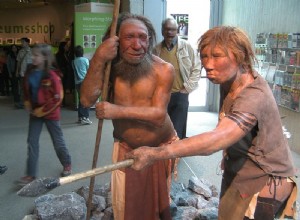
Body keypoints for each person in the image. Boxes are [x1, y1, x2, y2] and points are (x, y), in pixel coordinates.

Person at [126, 26, 298, 220]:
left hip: (263, 180)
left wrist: (156, 153)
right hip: (239, 171)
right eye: (204, 56)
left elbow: (217, 138)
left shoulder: (253, 96)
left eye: (216, 56)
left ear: (239, 56)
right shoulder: (229, 81)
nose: (207, 64)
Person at [81, 13, 178, 220]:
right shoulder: (110, 69)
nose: (137, 45)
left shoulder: (164, 69)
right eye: (129, 37)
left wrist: (116, 111)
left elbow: (159, 115)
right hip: (126, 146)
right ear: (115, 40)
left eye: (142, 37)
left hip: (159, 147)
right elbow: (86, 100)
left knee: (158, 209)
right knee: (126, 207)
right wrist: (98, 58)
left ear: (149, 39)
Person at [17, 43, 72, 186]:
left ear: (45, 57)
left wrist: (41, 111)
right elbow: (26, 90)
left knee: (57, 141)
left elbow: (57, 98)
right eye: (32, 55)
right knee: (32, 142)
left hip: (50, 114)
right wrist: (28, 103)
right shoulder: (30, 72)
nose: (33, 58)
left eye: (36, 55)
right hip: (35, 113)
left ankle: (67, 164)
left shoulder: (53, 75)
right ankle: (31, 174)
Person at [153, 17, 201, 139]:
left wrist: (187, 88)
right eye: (167, 29)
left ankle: (176, 153)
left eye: (173, 29)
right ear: (162, 30)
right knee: (162, 125)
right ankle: (164, 150)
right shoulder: (156, 49)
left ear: (177, 31)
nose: (170, 32)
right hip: (162, 94)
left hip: (180, 92)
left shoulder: (186, 47)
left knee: (178, 126)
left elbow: (197, 68)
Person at [72, 45, 92, 125]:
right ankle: (85, 117)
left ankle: (80, 117)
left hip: (77, 83)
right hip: (85, 82)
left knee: (81, 99)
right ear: (82, 52)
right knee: (87, 100)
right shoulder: (85, 60)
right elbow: (89, 69)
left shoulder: (73, 61)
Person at [15, 37, 32, 108]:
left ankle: (31, 102)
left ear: (27, 43)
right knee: (22, 88)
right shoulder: (20, 52)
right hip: (22, 73)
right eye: (21, 42)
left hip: (30, 73)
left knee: (30, 87)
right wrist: (17, 71)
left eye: (23, 42)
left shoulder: (32, 51)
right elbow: (18, 62)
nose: (22, 43)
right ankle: (22, 103)